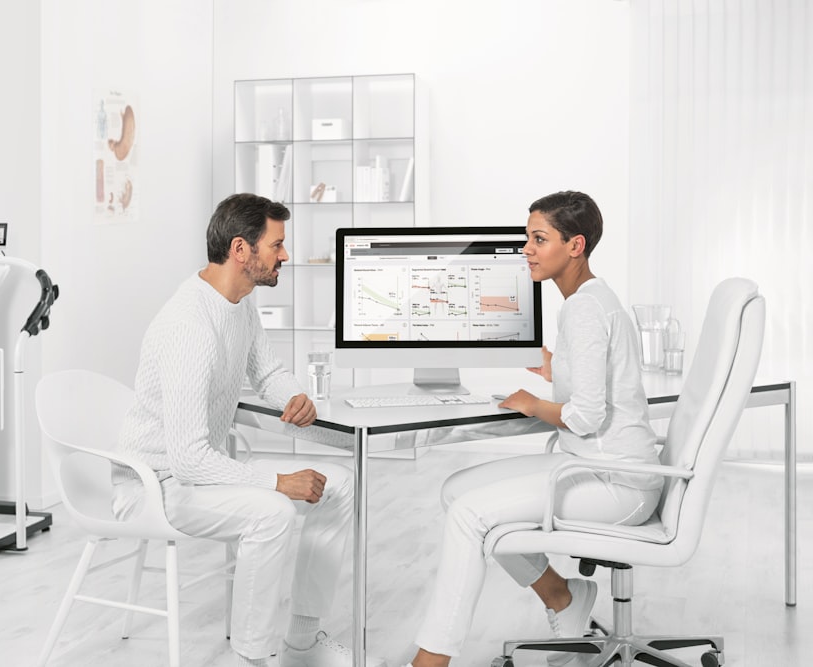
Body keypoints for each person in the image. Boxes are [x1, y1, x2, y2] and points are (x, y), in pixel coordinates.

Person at [112, 193, 386, 667]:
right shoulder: (189, 325)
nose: (285, 255)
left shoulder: (238, 303)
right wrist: (280, 483)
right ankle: (252, 658)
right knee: (272, 512)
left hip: (202, 472)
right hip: (156, 485)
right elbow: (188, 458)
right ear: (242, 249)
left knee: (339, 484)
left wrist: (294, 396)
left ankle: (302, 642)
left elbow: (268, 371)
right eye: (277, 245)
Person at [403, 191, 664, 667]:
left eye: (539, 239)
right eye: (528, 237)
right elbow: (592, 380)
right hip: (597, 466)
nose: (526, 249)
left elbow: (585, 416)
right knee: (456, 491)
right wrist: (548, 365)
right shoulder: (591, 299)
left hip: (617, 481)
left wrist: (532, 404)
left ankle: (432, 658)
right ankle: (563, 597)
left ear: (575, 245)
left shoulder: (583, 310)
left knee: (469, 514)